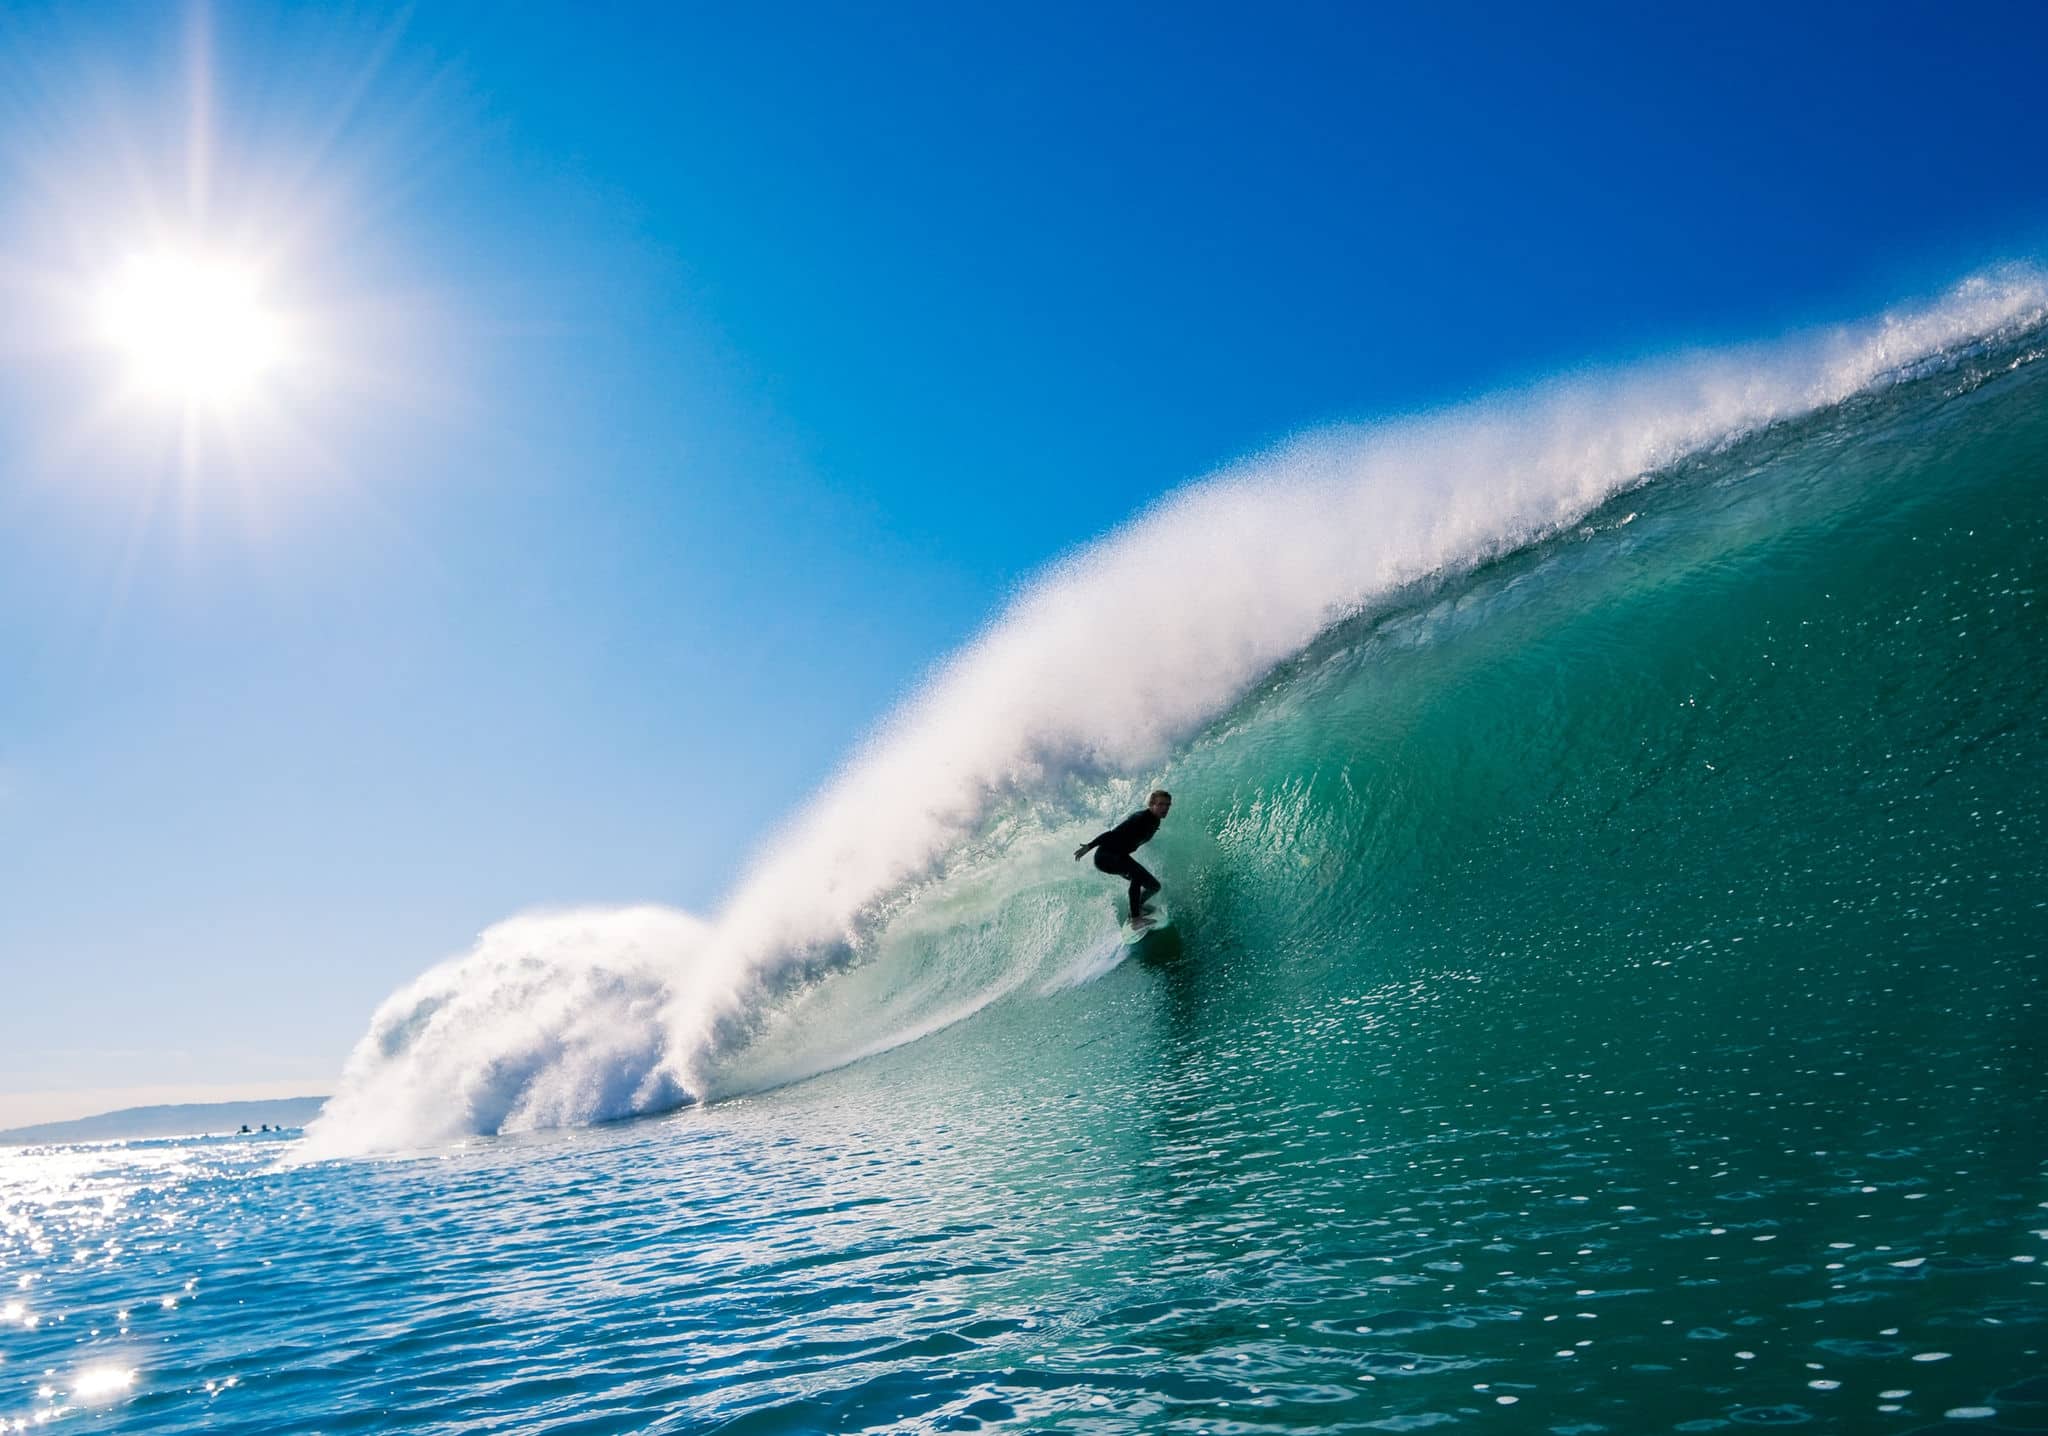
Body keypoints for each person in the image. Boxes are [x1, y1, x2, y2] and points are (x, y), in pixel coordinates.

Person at [1075, 789, 1172, 924]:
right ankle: (1135, 918)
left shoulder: (1155, 821)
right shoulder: (1140, 818)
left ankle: (1137, 907)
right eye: (1161, 804)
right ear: (1151, 804)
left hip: (1120, 856)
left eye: (1168, 805)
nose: (1165, 808)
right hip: (1106, 856)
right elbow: (1111, 834)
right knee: (1136, 875)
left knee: (1153, 886)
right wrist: (1089, 846)